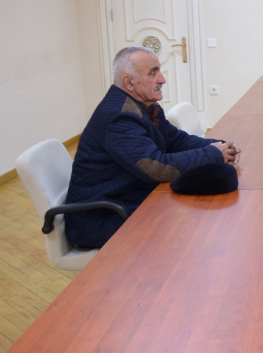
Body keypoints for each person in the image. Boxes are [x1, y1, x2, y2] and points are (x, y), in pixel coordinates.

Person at [65, 46, 241, 249]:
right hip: (102, 218)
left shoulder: (144, 106)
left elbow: (175, 140)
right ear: (128, 82)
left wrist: (218, 146)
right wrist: (212, 154)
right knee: (194, 231)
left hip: (130, 199)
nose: (162, 79)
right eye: (153, 73)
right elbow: (156, 168)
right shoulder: (119, 118)